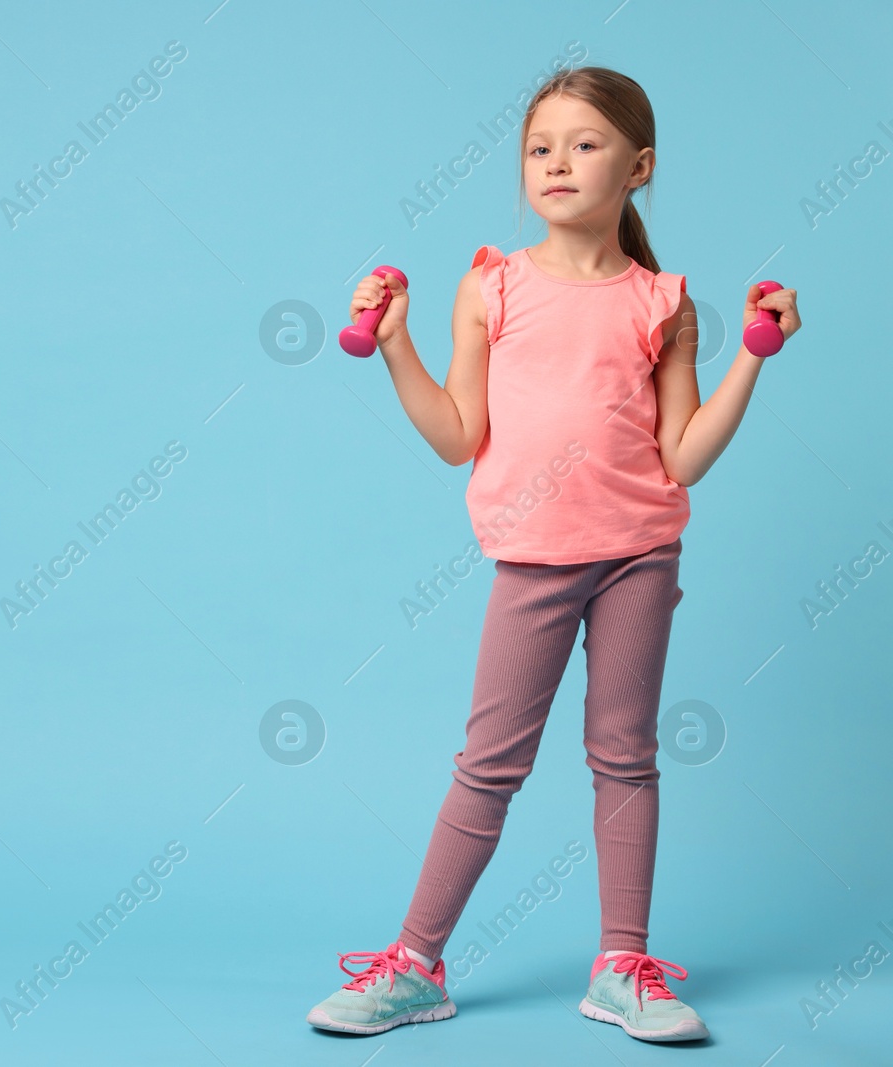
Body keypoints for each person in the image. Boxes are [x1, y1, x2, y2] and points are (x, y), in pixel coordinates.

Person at [305, 66, 800, 1043]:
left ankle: (623, 963)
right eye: (539, 148)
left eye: (582, 144)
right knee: (489, 762)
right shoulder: (490, 284)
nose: (557, 163)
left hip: (637, 557)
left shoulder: (663, 301)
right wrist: (398, 344)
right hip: (531, 557)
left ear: (637, 166)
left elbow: (682, 454)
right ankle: (414, 961)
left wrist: (752, 358)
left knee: (625, 757)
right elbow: (457, 434)